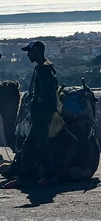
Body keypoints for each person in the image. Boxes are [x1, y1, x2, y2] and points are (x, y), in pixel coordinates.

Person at [4, 41, 59, 188]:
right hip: (39, 113)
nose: (28, 54)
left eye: (30, 51)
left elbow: (48, 93)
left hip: (42, 114)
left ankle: (48, 176)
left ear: (37, 51)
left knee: (40, 145)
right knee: (30, 144)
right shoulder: (41, 68)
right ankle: (26, 176)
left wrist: (40, 105)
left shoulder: (44, 69)